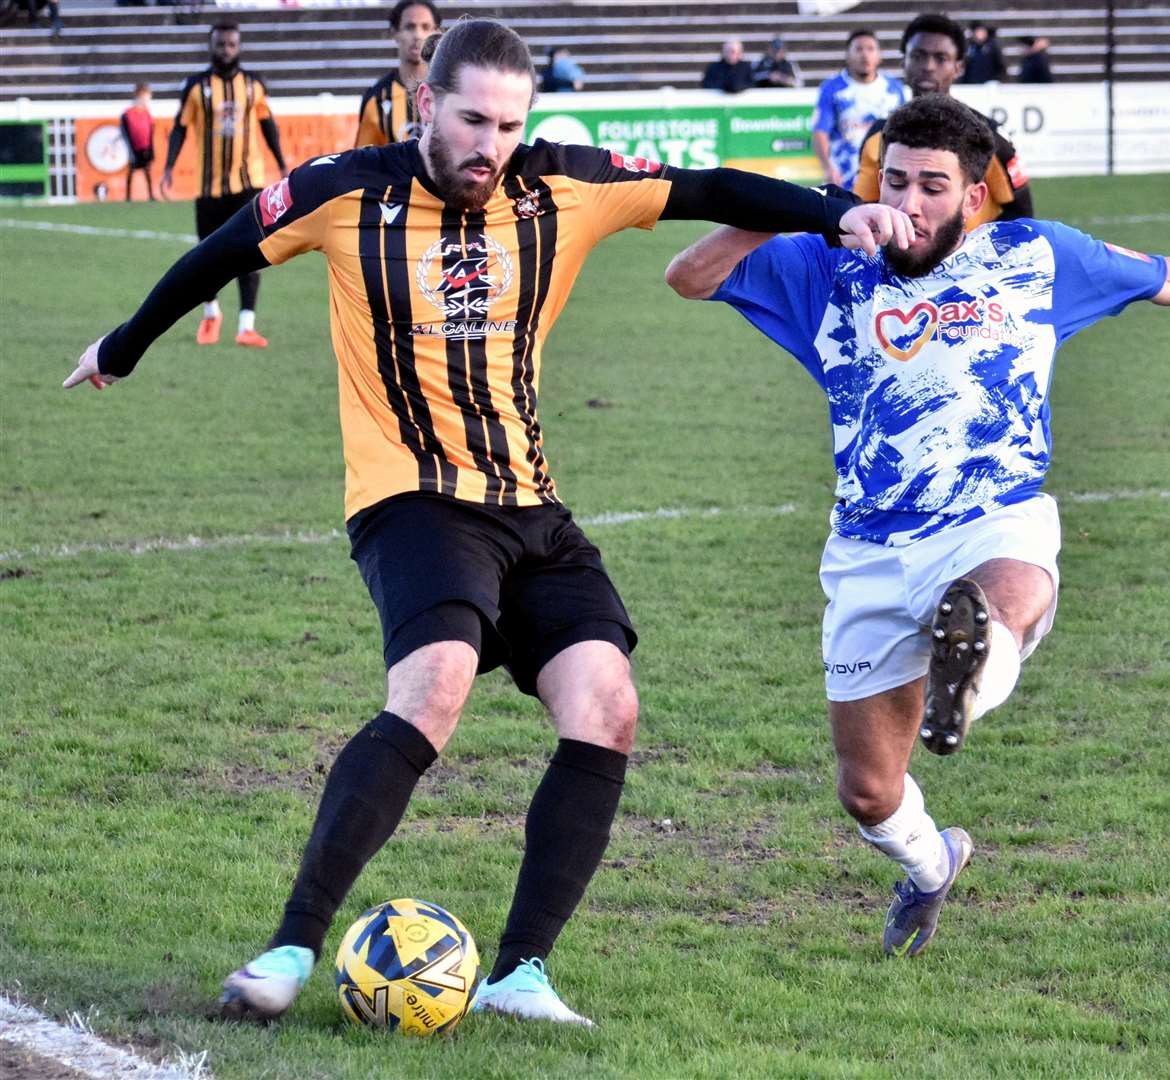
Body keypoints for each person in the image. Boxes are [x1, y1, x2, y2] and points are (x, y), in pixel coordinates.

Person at [62, 18, 910, 1028]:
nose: (489, 144)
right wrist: (122, 345)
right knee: (437, 684)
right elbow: (216, 254)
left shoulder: (565, 184)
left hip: (528, 503)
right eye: (471, 119)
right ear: (427, 101)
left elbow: (710, 187)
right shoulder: (343, 191)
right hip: (409, 498)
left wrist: (839, 211)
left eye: (508, 124)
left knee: (608, 705)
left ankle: (519, 975)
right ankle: (288, 949)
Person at [665, 93, 1170, 959]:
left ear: (974, 196)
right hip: (868, 550)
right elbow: (687, 277)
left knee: (1004, 591)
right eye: (895, 181)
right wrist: (796, 210)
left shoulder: (1034, 256)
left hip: (992, 513)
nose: (910, 202)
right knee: (867, 792)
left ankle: (976, 659)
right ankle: (932, 865)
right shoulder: (823, 266)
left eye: (932, 185)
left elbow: (1169, 277)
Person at [161, 22, 287, 349]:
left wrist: (282, 162)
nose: (226, 50)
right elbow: (179, 129)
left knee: (251, 252)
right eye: (221, 44)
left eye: (231, 44)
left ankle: (247, 325)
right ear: (211, 46)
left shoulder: (253, 85)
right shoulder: (196, 86)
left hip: (248, 182)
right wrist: (168, 167)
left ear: (239, 47)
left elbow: (267, 125)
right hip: (208, 186)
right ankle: (212, 312)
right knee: (206, 255)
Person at [853, 13, 1032, 226]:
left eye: (941, 58)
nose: (928, 66)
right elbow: (865, 208)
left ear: (959, 67)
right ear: (904, 62)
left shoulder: (989, 136)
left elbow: (1022, 217)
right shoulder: (878, 135)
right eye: (918, 56)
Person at [811, 28, 906, 190]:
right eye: (858, 49)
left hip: (885, 179)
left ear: (879, 56)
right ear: (847, 56)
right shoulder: (832, 88)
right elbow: (820, 132)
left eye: (870, 49)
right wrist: (828, 168)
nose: (865, 55)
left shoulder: (894, 89)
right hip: (844, 179)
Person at [356, 0, 441, 148]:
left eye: (426, 27)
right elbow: (362, 163)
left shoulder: (451, 92)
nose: (418, 35)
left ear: (437, 33)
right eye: (410, 27)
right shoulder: (376, 99)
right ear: (394, 33)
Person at [120, 84, 157, 202]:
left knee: (147, 170)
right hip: (133, 147)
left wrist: (151, 149)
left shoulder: (147, 113)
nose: (147, 100)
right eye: (146, 97)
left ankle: (151, 195)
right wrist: (130, 149)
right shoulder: (128, 114)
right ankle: (128, 197)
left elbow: (151, 131)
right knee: (131, 170)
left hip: (145, 147)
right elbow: (125, 132)